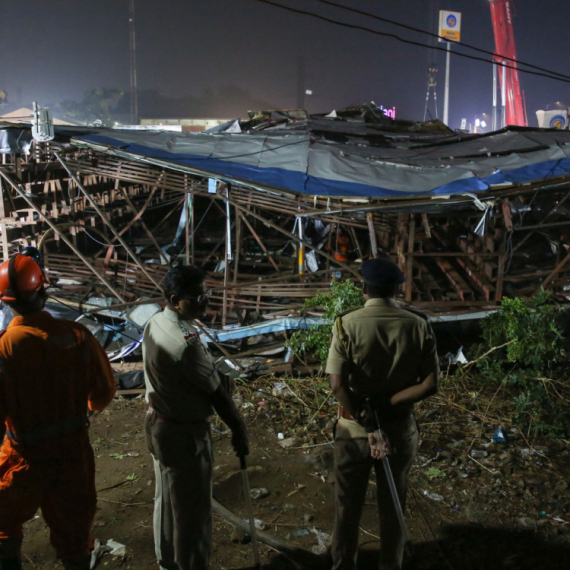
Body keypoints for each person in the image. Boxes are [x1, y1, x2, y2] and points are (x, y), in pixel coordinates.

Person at [0, 253, 116, 570]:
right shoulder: (78, 336)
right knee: (75, 539)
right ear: (44, 291)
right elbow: (104, 393)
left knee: (3, 524)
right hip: (72, 455)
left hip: (25, 457)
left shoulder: (5, 347)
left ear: (6, 301)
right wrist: (85, 408)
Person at [326, 258, 439, 570]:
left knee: (347, 506)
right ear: (396, 289)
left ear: (364, 288)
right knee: (394, 505)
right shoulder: (418, 324)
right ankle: (392, 565)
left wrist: (364, 416)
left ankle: (343, 565)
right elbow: (431, 384)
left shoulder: (346, 324)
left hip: (353, 431)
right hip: (399, 429)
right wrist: (390, 403)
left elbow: (337, 385)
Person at [143, 263, 249, 570]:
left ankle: (167, 563)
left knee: (166, 501)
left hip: (157, 422)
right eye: (198, 296)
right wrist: (239, 429)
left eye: (206, 293)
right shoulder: (186, 345)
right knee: (192, 513)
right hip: (184, 435)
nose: (205, 300)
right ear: (176, 300)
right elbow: (218, 395)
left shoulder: (155, 322)